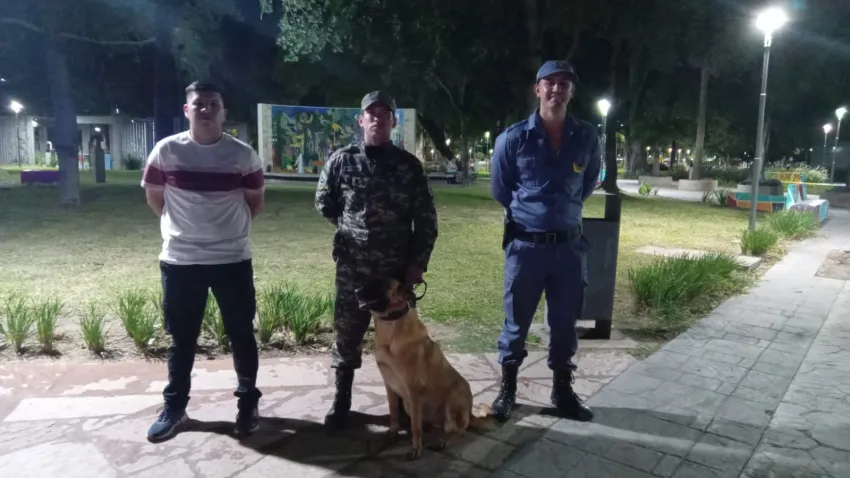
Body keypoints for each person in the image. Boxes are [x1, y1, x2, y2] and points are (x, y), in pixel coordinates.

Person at [141, 81, 265, 442]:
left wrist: (227, 233)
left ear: (224, 111)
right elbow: (155, 198)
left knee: (241, 334)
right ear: (187, 110)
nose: (206, 110)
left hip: (232, 259)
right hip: (181, 260)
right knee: (181, 339)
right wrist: (185, 232)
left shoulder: (243, 156)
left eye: (214, 104)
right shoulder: (166, 152)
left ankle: (247, 405)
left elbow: (254, 201)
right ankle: (175, 408)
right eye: (199, 104)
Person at [315, 91, 438, 428]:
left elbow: (426, 220)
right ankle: (342, 400)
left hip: (394, 274)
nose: (377, 118)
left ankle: (403, 405)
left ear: (393, 122)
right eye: (371, 113)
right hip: (353, 269)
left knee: (402, 340)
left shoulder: (409, 167)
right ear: (361, 119)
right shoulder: (342, 160)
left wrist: (417, 264)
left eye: (385, 114)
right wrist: (349, 227)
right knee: (347, 335)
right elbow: (324, 202)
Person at [489, 61, 602, 422]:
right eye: (549, 83)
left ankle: (562, 391)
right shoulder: (514, 138)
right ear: (537, 88)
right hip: (526, 248)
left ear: (572, 91)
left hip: (569, 249)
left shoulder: (586, 137)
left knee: (565, 323)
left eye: (564, 83)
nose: (557, 89)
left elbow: (585, 187)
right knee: (515, 323)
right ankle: (508, 389)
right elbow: (501, 190)